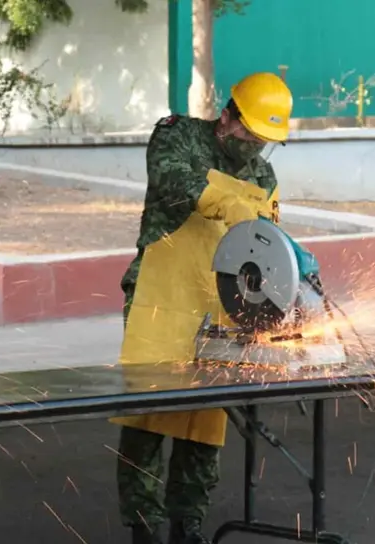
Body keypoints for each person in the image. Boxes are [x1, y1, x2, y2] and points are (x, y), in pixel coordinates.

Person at [111, 72, 293, 544]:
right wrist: (225, 201)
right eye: (250, 134)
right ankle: (143, 524)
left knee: (204, 421)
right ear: (228, 117)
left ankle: (188, 522)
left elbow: (268, 246)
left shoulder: (263, 175)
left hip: (220, 305)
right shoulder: (177, 135)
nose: (254, 148)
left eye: (265, 141)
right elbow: (173, 178)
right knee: (145, 417)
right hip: (161, 295)